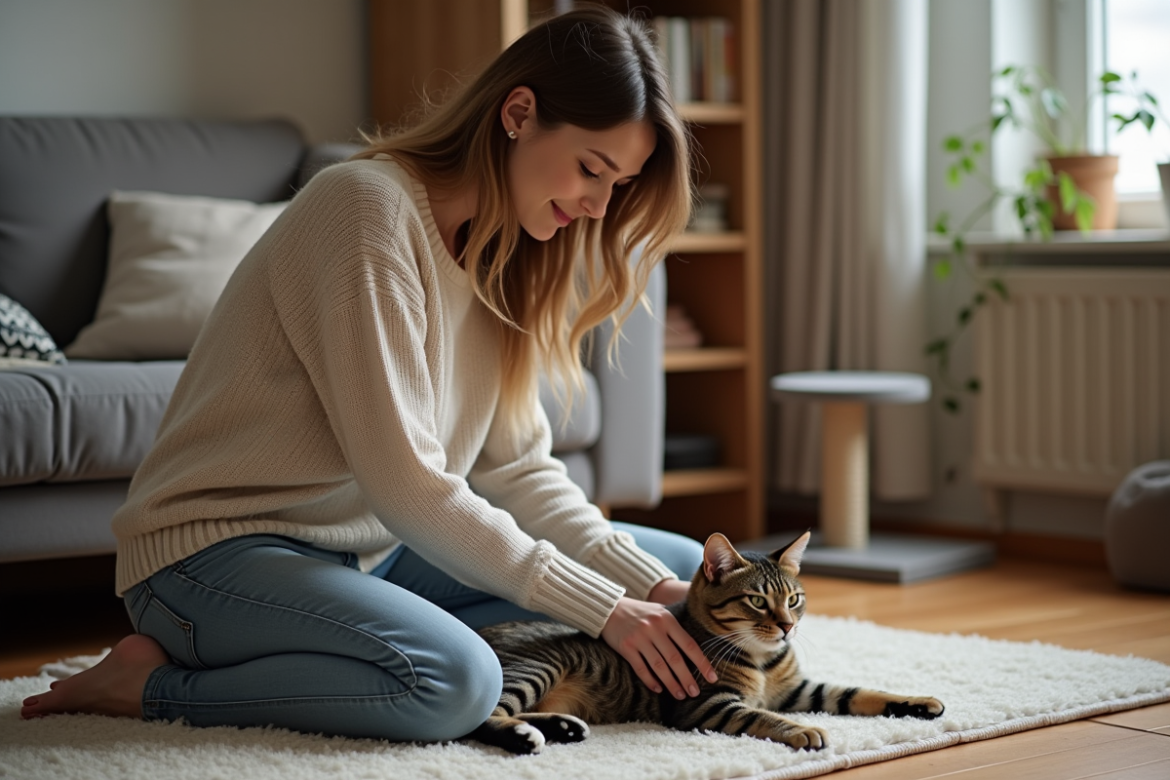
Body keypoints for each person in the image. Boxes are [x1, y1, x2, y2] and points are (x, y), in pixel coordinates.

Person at [21, 6, 716, 741]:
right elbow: (407, 483)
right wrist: (604, 610)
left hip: (372, 551)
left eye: (620, 185)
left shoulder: (509, 251)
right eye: (591, 170)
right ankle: (150, 687)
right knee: (456, 685)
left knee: (679, 570)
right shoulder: (365, 210)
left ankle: (367, 642)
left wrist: (641, 588)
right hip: (215, 558)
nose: (600, 206)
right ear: (519, 113)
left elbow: (519, 471)